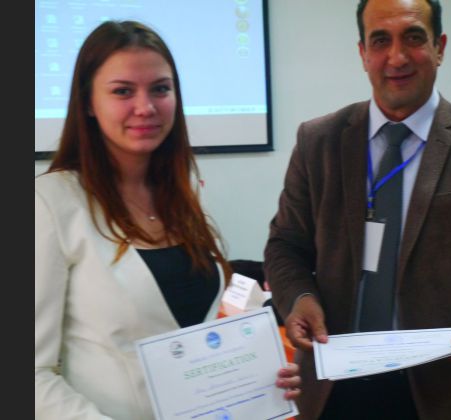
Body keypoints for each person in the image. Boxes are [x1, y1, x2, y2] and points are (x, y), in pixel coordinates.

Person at [263, 0, 451, 419]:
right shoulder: (318, 141)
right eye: (380, 41)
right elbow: (285, 245)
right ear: (363, 54)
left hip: (439, 389)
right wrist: (299, 297)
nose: (396, 57)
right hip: (330, 387)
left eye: (413, 37)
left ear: (439, 47)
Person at [35, 20, 300, 420]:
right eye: (123, 91)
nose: (146, 107)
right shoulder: (49, 203)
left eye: (160, 89)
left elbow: (193, 335)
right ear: (88, 103)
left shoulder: (179, 196)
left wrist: (261, 378)